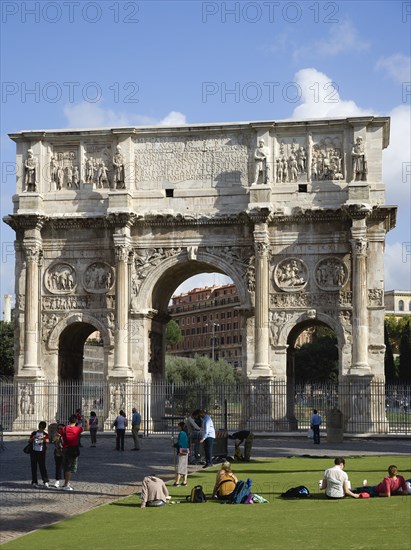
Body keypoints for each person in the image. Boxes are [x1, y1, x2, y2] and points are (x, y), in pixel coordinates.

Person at [60, 414, 83, 491]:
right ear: (76, 421)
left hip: (65, 449)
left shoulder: (64, 429)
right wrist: (84, 421)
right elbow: (86, 428)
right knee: (70, 467)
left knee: (66, 466)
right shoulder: (78, 429)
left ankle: (66, 482)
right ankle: (66, 484)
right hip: (73, 449)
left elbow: (60, 436)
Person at [29, 421, 49, 488]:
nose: (41, 428)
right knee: (34, 467)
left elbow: (48, 441)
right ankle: (34, 481)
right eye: (40, 427)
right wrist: (33, 437)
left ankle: (45, 481)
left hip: (41, 452)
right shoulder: (34, 433)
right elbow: (29, 441)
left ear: (44, 428)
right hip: (34, 452)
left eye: (42, 427)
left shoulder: (45, 434)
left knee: (42, 467)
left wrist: (43, 439)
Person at [174, 421, 189, 486]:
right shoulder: (185, 433)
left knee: (179, 466)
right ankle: (184, 481)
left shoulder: (181, 433)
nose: (177, 427)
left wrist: (175, 445)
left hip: (181, 451)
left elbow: (180, 442)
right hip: (186, 450)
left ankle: (177, 482)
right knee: (184, 466)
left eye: (178, 426)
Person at [52, 423, 65, 488]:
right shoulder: (56, 435)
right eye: (58, 428)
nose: (60, 430)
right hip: (58, 453)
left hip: (65, 452)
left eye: (61, 429)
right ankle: (57, 480)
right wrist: (57, 437)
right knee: (58, 467)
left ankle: (66, 481)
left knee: (66, 467)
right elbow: (53, 441)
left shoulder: (66, 435)